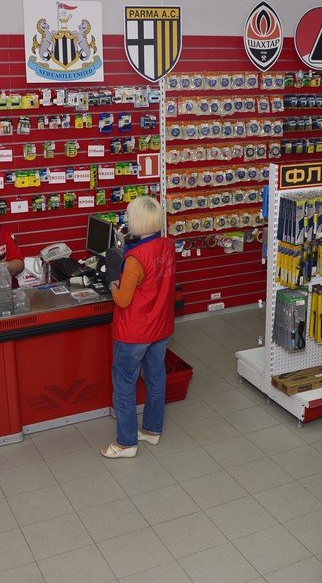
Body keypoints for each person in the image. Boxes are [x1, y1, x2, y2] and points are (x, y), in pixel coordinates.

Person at [101, 196, 176, 459]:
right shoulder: (168, 245)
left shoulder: (135, 258)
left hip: (134, 331)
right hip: (160, 326)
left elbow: (123, 299)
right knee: (156, 378)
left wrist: (113, 284)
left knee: (124, 385)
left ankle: (126, 443)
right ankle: (152, 430)